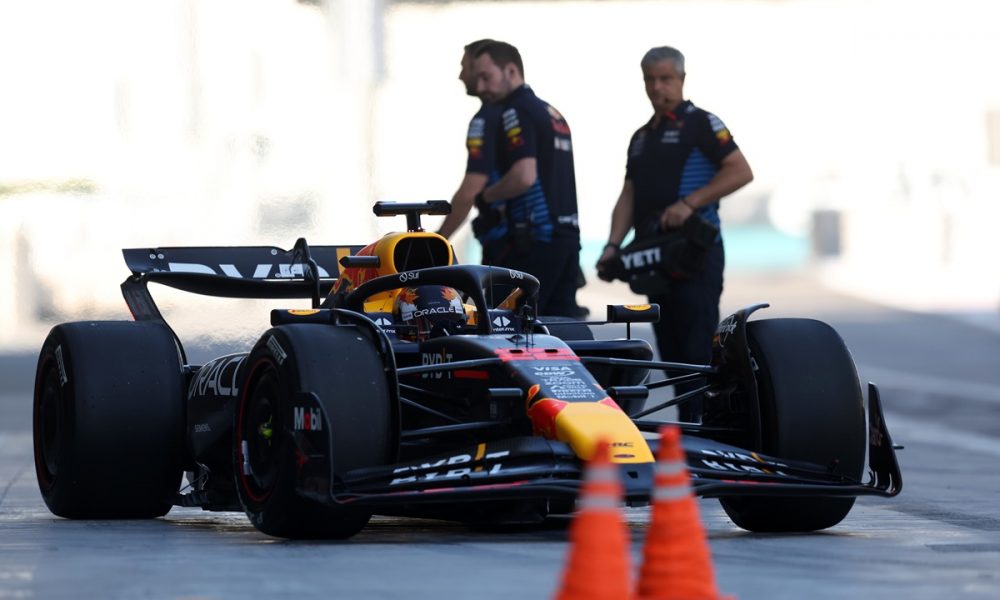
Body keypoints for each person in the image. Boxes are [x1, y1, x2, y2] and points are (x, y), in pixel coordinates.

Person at [596, 46, 753, 421]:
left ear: (681, 79)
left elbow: (740, 171)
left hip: (697, 255)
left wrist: (689, 204)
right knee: (671, 356)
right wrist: (613, 245)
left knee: (698, 353)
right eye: (650, 79)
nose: (657, 87)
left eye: (665, 79)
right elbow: (629, 194)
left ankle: (706, 434)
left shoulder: (702, 123)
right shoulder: (640, 138)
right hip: (656, 259)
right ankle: (688, 430)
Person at [468, 40, 582, 317]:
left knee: (507, 331)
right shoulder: (551, 111)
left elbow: (524, 176)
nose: (481, 87)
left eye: (487, 77)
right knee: (564, 332)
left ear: (511, 71)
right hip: (567, 241)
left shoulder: (513, 111)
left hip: (533, 245)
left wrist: (485, 197)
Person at [437, 39, 501, 250]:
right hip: (560, 245)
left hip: (512, 248)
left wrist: (437, 241)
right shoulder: (547, 114)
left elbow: (470, 192)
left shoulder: (486, 119)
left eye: (466, 68)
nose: (461, 76)